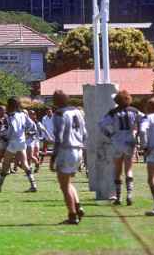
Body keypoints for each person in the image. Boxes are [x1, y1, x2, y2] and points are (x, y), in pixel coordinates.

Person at [98, 90, 143, 206]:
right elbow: (144, 120)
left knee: (117, 170)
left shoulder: (113, 112)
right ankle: (130, 195)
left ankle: (118, 197)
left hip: (117, 142)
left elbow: (101, 124)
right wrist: (137, 133)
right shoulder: (134, 111)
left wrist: (109, 134)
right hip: (130, 142)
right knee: (128, 169)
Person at [49, 90, 87, 224]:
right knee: (68, 182)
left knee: (64, 185)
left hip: (66, 150)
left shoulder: (59, 114)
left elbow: (59, 137)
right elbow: (85, 133)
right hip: (79, 149)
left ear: (56, 101)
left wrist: (53, 156)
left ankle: (72, 215)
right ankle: (78, 207)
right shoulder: (77, 112)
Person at [0, 98, 37, 193]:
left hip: (13, 142)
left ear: (10, 106)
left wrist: (4, 136)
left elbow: (12, 129)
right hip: (22, 142)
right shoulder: (23, 114)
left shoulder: (10, 117)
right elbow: (32, 125)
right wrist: (28, 132)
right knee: (24, 164)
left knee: (6, 164)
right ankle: (33, 185)